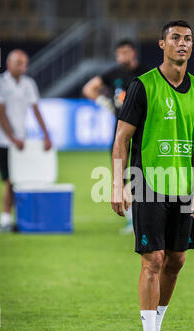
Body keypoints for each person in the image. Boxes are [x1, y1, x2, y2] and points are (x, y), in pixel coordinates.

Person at [112, 21, 194, 331]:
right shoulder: (143, 86)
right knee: (152, 259)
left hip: (182, 187)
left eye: (188, 39)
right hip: (148, 182)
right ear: (162, 44)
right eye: (175, 38)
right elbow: (122, 138)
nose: (182, 44)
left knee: (176, 261)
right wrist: (118, 183)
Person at [83, 39, 147, 234]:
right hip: (120, 130)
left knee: (143, 174)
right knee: (123, 172)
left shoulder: (146, 73)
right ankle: (131, 220)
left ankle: (146, 216)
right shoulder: (113, 73)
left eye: (125, 52)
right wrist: (104, 102)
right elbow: (89, 88)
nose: (122, 56)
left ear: (134, 52)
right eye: (119, 53)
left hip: (143, 131)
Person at [0, 49, 51, 233]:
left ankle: (20, 220)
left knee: (21, 181)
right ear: (8, 64)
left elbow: (36, 110)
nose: (23, 67)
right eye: (19, 63)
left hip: (21, 139)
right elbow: (0, 113)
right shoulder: (0, 84)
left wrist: (46, 134)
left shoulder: (28, 84)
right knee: (10, 180)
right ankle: (4, 220)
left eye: (25, 63)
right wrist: (12, 138)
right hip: (3, 140)